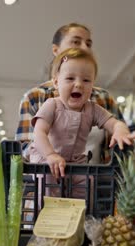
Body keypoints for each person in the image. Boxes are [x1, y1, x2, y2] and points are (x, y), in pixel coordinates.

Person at [28, 48, 135, 197]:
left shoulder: (93, 109)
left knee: (88, 183)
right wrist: (50, 155)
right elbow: (39, 133)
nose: (79, 84)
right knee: (47, 182)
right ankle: (46, 215)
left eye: (86, 80)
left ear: (93, 85)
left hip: (76, 162)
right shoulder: (51, 104)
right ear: (56, 82)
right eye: (70, 78)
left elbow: (114, 123)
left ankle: (82, 215)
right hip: (45, 157)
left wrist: (120, 130)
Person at [15, 22, 124, 164]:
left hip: (92, 180)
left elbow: (120, 142)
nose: (85, 48)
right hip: (48, 175)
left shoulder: (104, 99)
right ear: (56, 50)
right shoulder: (35, 98)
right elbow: (24, 148)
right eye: (76, 42)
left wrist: (120, 130)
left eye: (88, 44)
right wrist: (50, 155)